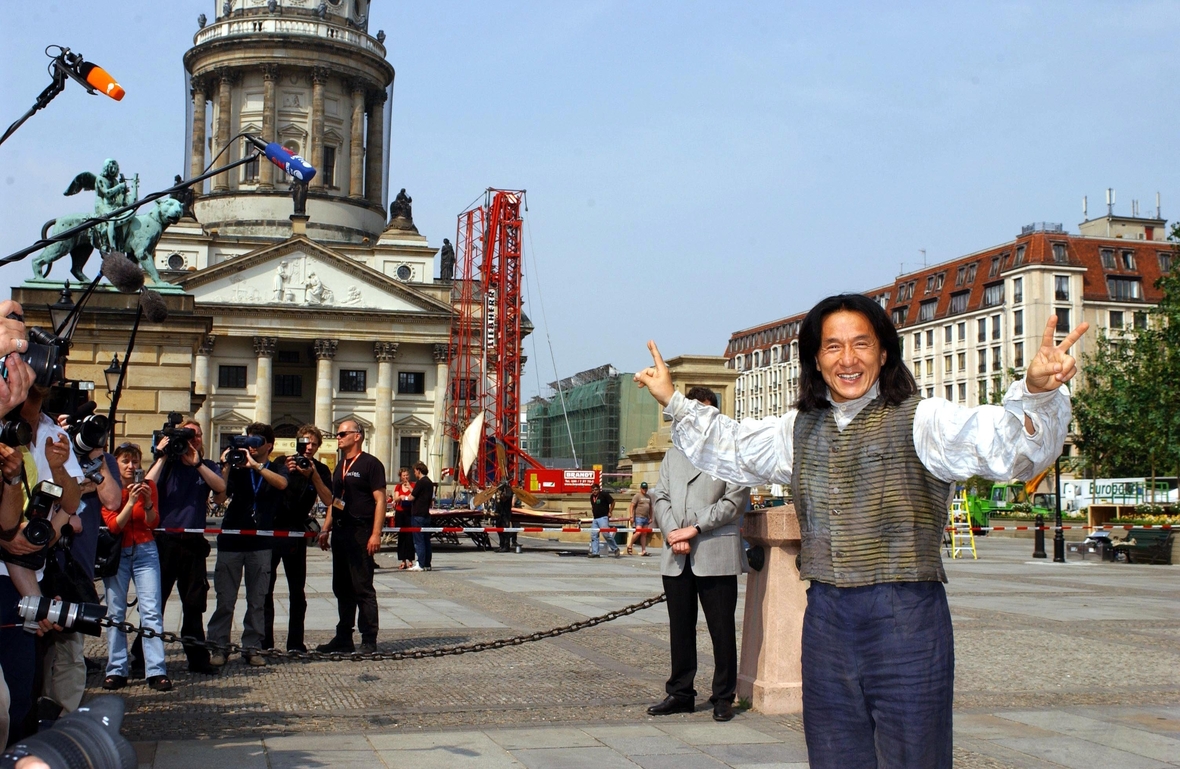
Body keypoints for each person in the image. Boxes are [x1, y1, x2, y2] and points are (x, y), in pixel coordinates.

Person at [635, 294, 1086, 768]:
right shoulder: (798, 429)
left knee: (915, 756)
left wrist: (1036, 393)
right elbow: (732, 445)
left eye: (860, 344)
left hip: (907, 617)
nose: (847, 360)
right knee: (834, 755)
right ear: (816, 358)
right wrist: (674, 400)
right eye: (832, 347)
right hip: (827, 617)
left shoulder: (925, 419)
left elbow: (1007, 449)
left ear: (884, 352)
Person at [647, 387, 749, 723]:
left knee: (721, 630)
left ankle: (723, 696)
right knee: (680, 627)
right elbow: (659, 495)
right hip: (677, 555)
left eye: (704, 414)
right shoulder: (673, 454)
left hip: (714, 551)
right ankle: (680, 692)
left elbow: (734, 502)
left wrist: (694, 528)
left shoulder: (730, 452)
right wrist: (672, 531)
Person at [0, 382, 82, 745]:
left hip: (29, 574)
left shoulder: (54, 436)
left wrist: (59, 469)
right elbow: (8, 533)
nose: (32, 404)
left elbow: (69, 502)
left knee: (20, 694)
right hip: (11, 578)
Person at [141, 417, 226, 674]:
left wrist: (197, 463)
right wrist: (162, 456)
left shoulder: (206, 465)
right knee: (155, 604)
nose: (192, 440)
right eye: (187, 435)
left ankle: (197, 659)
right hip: (164, 542)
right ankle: (141, 657)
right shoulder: (167, 466)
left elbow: (221, 488)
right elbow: (147, 484)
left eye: (196, 435)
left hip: (193, 544)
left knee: (193, 605)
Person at [208, 423, 288, 667]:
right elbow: (219, 497)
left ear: (269, 445)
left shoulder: (275, 467)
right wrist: (225, 467)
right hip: (232, 540)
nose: (251, 447)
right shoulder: (236, 468)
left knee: (257, 600)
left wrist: (256, 466)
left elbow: (282, 484)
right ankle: (219, 647)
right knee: (225, 599)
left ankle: (252, 647)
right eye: (248, 441)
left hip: (261, 542)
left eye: (257, 442)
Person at [101, 443, 170, 692]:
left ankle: (156, 670)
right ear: (116, 464)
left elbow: (153, 522)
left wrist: (148, 503)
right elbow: (114, 525)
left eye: (136, 462)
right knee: (115, 611)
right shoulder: (108, 487)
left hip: (145, 549)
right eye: (126, 462)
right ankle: (117, 669)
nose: (132, 467)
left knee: (151, 611)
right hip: (118, 552)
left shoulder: (148, 486)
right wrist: (130, 502)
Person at [316, 420, 385, 653]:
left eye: (343, 433)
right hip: (341, 531)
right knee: (342, 586)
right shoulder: (340, 466)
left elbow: (380, 500)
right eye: (337, 434)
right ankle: (344, 636)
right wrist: (326, 528)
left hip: (361, 531)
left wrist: (376, 533)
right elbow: (335, 501)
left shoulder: (370, 464)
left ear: (357, 436)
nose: (338, 437)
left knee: (362, 586)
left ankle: (368, 639)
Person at [264, 424, 331, 653]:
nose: (309, 447)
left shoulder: (320, 469)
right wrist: (285, 470)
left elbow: (330, 499)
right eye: (305, 442)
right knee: (266, 590)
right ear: (297, 442)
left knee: (297, 592)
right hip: (274, 529)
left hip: (296, 533)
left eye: (314, 443)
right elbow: (267, 488)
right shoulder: (282, 461)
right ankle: (266, 642)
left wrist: (313, 476)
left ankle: (295, 643)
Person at [408, 462, 433, 570]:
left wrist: (405, 497)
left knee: (419, 541)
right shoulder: (429, 482)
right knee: (426, 540)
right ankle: (427, 563)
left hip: (418, 514)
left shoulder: (421, 482)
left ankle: (420, 564)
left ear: (418, 470)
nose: (414, 473)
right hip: (426, 514)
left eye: (414, 471)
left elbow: (411, 498)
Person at [392, 467, 415, 570]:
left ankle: (410, 559)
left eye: (407, 475)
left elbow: (414, 494)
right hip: (400, 512)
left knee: (410, 536)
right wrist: (400, 497)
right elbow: (395, 498)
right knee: (401, 536)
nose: (406, 477)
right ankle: (402, 560)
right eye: (404, 475)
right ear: (401, 477)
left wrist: (409, 487)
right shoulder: (398, 486)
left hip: (410, 512)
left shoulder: (413, 484)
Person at [588, 482, 619, 558]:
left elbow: (613, 502)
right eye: (593, 490)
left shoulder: (604, 495)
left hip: (603, 517)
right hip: (595, 518)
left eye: (596, 490)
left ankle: (615, 548)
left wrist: (610, 511)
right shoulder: (592, 497)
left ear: (599, 489)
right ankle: (595, 552)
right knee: (594, 535)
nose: (594, 491)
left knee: (605, 534)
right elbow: (593, 505)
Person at [626, 482, 653, 556]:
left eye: (646, 488)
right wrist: (632, 516)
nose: (644, 489)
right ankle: (630, 545)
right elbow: (632, 506)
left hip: (646, 517)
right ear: (640, 488)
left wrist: (651, 517)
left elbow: (650, 508)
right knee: (638, 532)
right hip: (639, 517)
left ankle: (643, 550)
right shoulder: (637, 496)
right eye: (643, 488)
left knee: (644, 534)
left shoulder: (648, 497)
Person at [493, 482, 517, 553]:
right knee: (499, 529)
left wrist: (500, 494)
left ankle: (506, 546)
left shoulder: (508, 491)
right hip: (499, 514)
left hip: (505, 514)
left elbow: (505, 498)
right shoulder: (499, 492)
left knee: (505, 530)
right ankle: (501, 545)